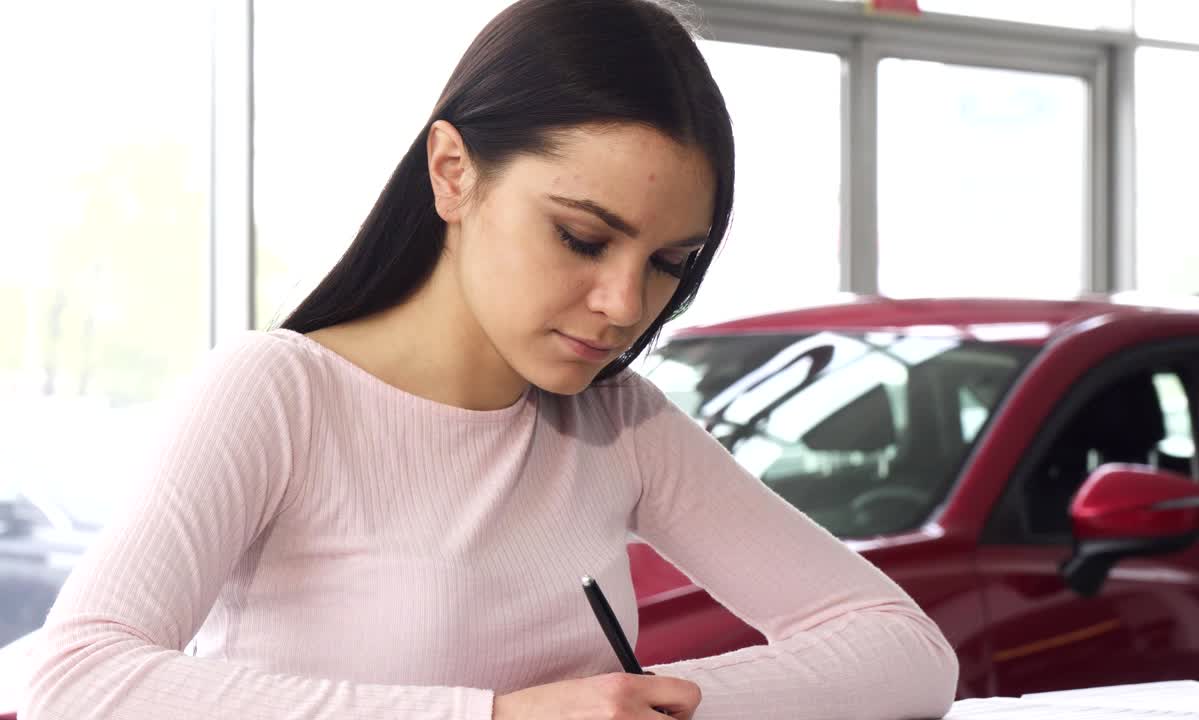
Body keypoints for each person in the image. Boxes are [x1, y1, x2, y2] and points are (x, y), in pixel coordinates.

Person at [20, 1, 958, 718]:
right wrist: (498, 717)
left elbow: (907, 649)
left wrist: (665, 703)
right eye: (583, 239)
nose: (627, 305)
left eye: (671, 263)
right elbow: (78, 679)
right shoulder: (281, 393)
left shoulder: (615, 420)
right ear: (453, 172)